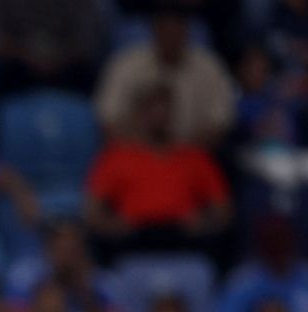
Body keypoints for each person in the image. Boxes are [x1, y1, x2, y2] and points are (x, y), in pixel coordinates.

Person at [86, 83, 231, 258]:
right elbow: (93, 212)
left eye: (165, 109)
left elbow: (224, 211)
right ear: (140, 114)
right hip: (133, 241)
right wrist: (113, 226)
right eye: (152, 109)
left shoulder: (195, 158)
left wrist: (205, 224)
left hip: (184, 241)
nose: (159, 116)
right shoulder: (117, 157)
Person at [94, 2, 235, 149]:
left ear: (186, 30)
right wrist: (151, 152)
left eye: (176, 28)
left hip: (191, 156)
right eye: (165, 28)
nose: (170, 35)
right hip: (136, 154)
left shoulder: (210, 68)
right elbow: (108, 121)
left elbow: (221, 123)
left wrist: (176, 153)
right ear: (154, 29)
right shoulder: (125, 65)